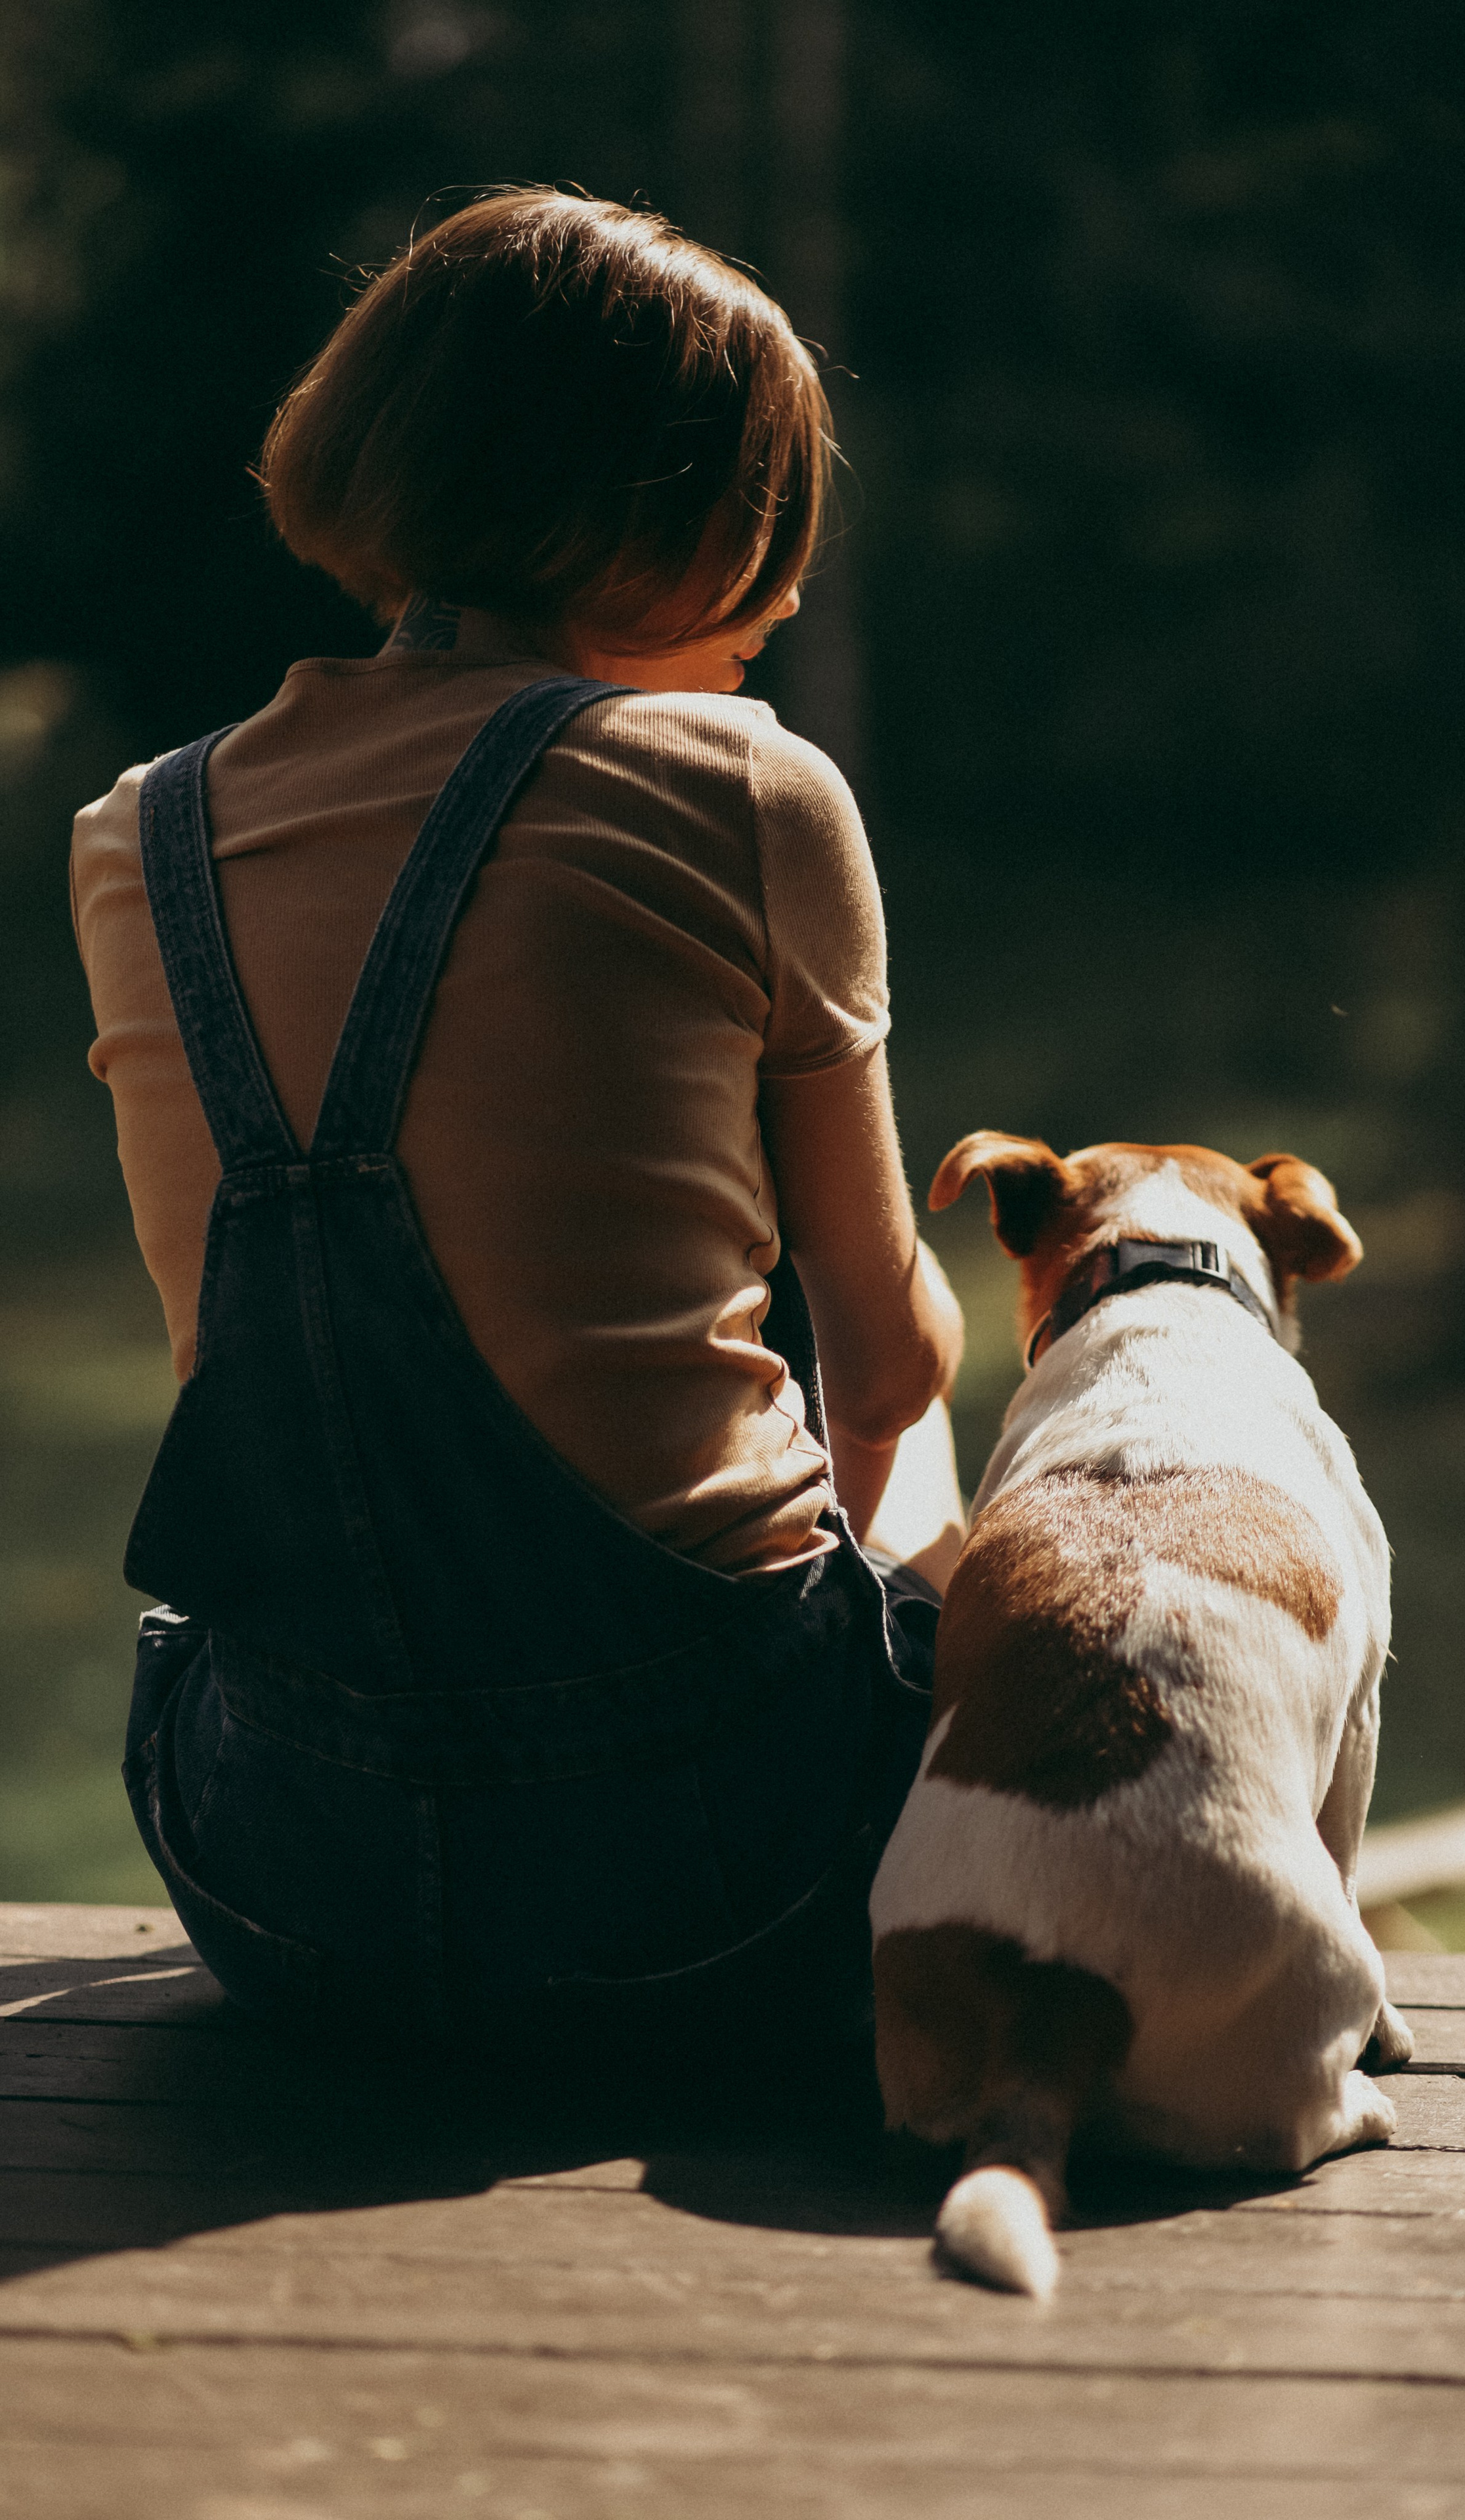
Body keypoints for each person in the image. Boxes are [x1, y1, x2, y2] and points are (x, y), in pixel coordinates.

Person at [70, 188, 966, 2059]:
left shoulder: (130, 840)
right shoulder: (744, 785)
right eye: (767, 532)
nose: (782, 599)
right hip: (713, 1873)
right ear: (679, 521)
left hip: (277, 1869)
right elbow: (879, 1382)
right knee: (949, 1398)